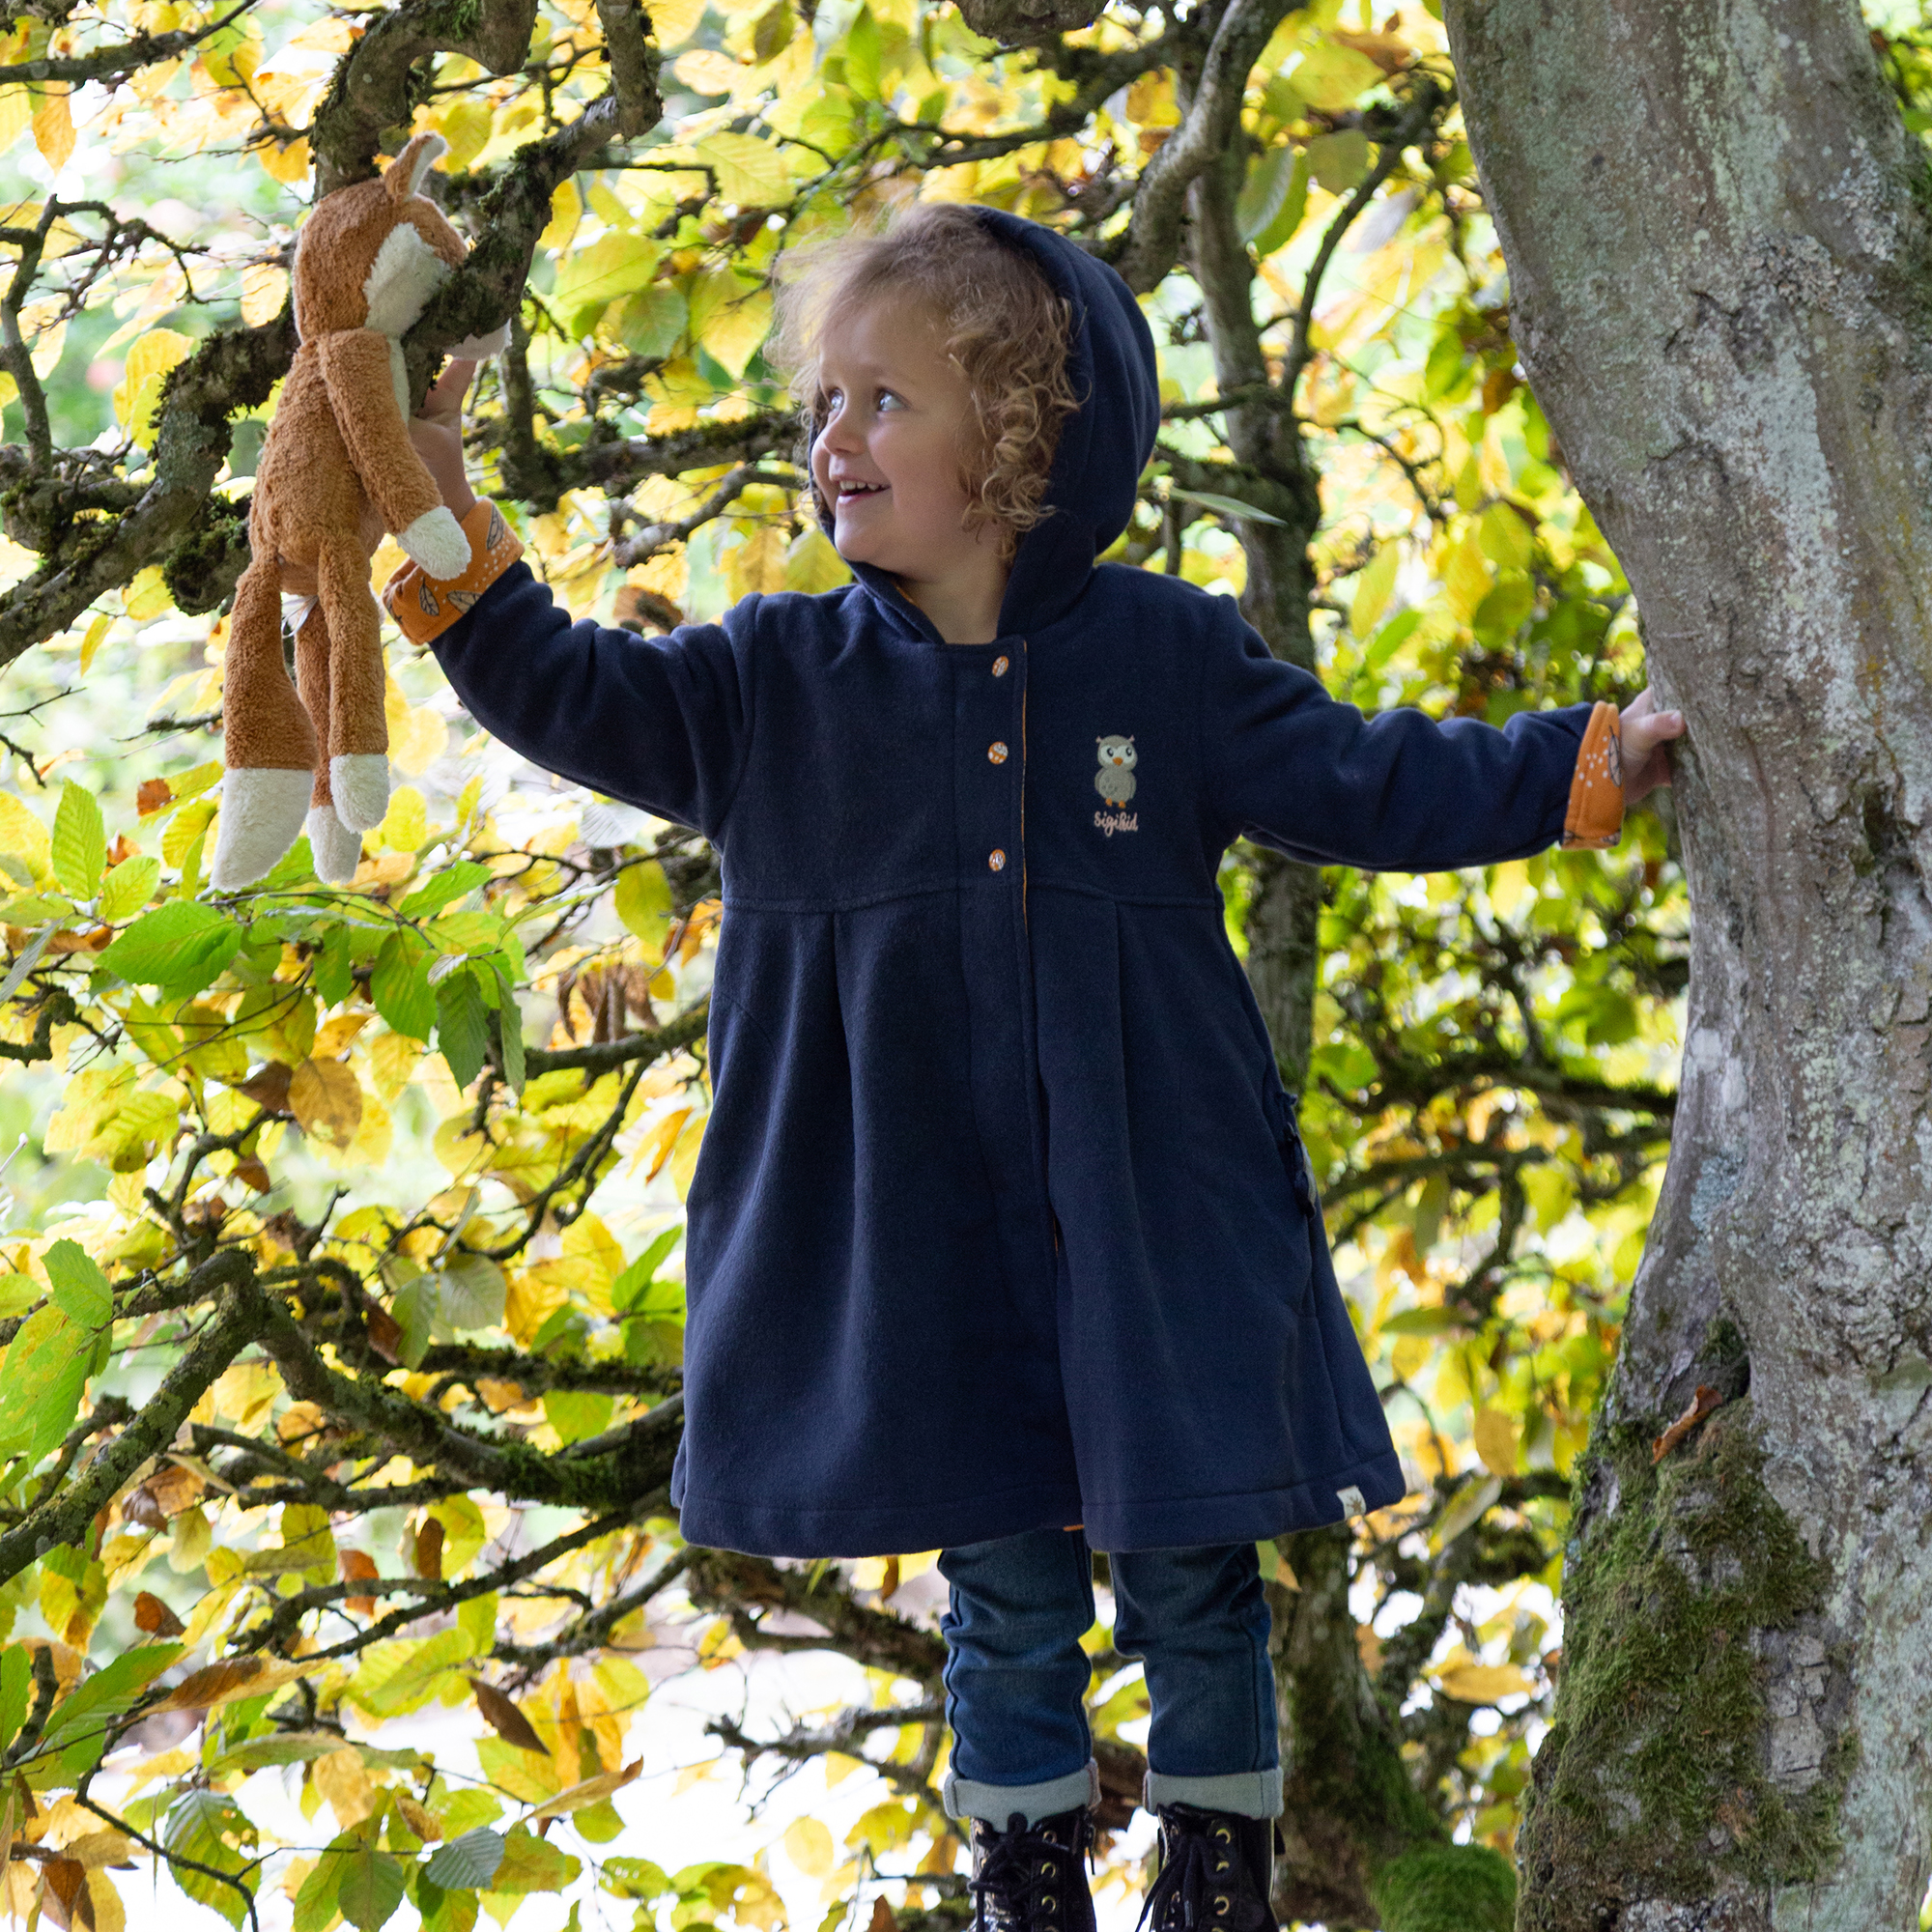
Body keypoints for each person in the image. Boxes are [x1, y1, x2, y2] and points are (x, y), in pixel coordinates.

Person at [353, 203, 1683, 1932]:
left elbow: (1371, 781)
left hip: (1153, 1205)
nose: (830, 442)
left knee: (1197, 1563)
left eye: (882, 402)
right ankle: (1025, 1874)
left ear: (1023, 434)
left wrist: (1583, 760)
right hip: (911, 1225)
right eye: (820, 406)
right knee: (1000, 1574)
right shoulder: (769, 681)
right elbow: (558, 684)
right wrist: (438, 500)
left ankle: (1221, 1876)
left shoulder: (1168, 659)